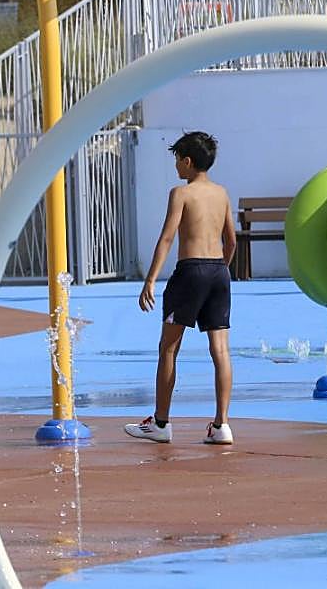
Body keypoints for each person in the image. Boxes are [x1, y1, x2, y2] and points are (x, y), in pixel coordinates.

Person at [128, 131, 237, 446]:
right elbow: (231, 241)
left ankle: (161, 423)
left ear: (187, 162)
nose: (176, 165)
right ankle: (222, 425)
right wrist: (220, 270)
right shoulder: (222, 193)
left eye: (177, 159)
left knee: (169, 348)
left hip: (190, 272)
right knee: (220, 350)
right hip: (218, 272)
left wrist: (150, 279)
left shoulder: (181, 193)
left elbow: (166, 238)